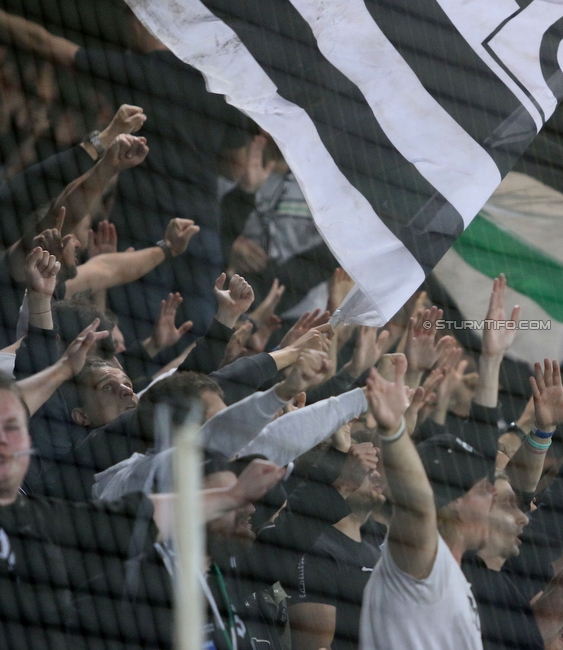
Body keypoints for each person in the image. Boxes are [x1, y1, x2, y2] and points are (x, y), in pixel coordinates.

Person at [0, 5, 257, 342]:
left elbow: (44, 42)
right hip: (200, 227)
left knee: (131, 335)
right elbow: (236, 165)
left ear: (139, 23)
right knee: (195, 333)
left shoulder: (140, 71)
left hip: (144, 219)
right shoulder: (217, 84)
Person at [0, 371, 285, 648]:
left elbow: (127, 517)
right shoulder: (136, 475)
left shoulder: (39, 517)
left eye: (13, 428)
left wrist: (231, 496)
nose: (3, 440)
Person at [359, 354, 490, 649]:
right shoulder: (422, 563)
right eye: (483, 489)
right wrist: (393, 431)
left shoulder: (450, 573)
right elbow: (417, 509)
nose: (493, 496)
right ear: (454, 502)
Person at [287, 446, 384, 650]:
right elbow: (314, 646)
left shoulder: (376, 553)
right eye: (366, 471)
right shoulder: (317, 550)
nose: (376, 475)